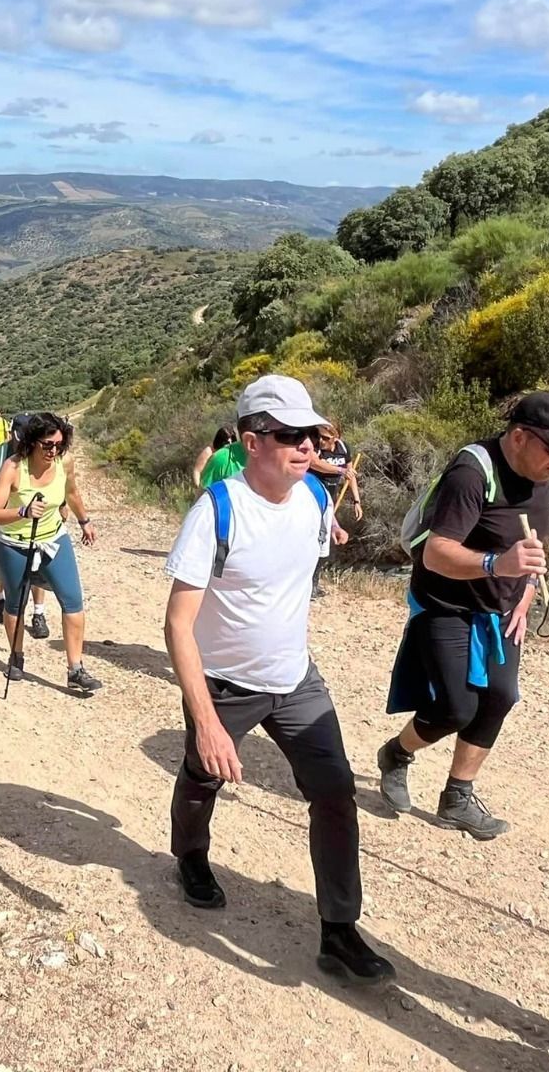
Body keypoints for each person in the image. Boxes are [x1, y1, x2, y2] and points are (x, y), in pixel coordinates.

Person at [163, 374, 392, 985]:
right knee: (203, 774)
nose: (308, 446)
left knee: (335, 794)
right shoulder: (216, 511)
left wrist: (333, 528)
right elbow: (178, 625)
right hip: (224, 683)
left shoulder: (315, 496)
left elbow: (292, 573)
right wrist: (207, 722)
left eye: (311, 434)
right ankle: (190, 857)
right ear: (252, 441)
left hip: (296, 680)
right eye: (290, 435)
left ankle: (339, 932)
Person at [376, 392, 549, 839]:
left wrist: (526, 589)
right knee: (455, 707)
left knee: (500, 696)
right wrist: (496, 564)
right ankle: (396, 753)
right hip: (445, 602)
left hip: (503, 605)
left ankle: (457, 797)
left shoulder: (545, 474)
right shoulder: (472, 474)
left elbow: (533, 542)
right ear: (519, 437)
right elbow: (436, 553)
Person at [0, 412, 102, 695]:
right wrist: (22, 511)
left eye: (59, 445)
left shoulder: (64, 462)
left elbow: (71, 493)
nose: (53, 451)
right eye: (47, 445)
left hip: (52, 539)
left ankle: (75, 669)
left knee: (72, 601)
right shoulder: (13, 467)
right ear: (32, 442)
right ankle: (16, 657)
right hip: (14, 543)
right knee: (15, 605)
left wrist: (84, 521)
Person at [0, 412, 50, 633]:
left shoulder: (39, 455)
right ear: (12, 434)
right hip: (1, 521)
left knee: (36, 568)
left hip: (33, 520)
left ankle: (38, 613)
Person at [309, 421, 362, 598]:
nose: (321, 440)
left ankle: (314, 583)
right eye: (319, 436)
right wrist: (340, 470)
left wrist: (356, 500)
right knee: (316, 540)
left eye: (326, 438)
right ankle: (309, 585)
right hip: (314, 496)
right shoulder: (316, 448)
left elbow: (350, 474)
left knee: (325, 543)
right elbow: (314, 463)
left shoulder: (343, 448)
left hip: (330, 499)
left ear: (336, 437)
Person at [191, 425, 238, 489]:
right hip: (208, 487)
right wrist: (198, 487)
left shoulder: (233, 453)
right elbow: (197, 471)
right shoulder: (209, 451)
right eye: (227, 442)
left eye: (232, 441)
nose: (229, 444)